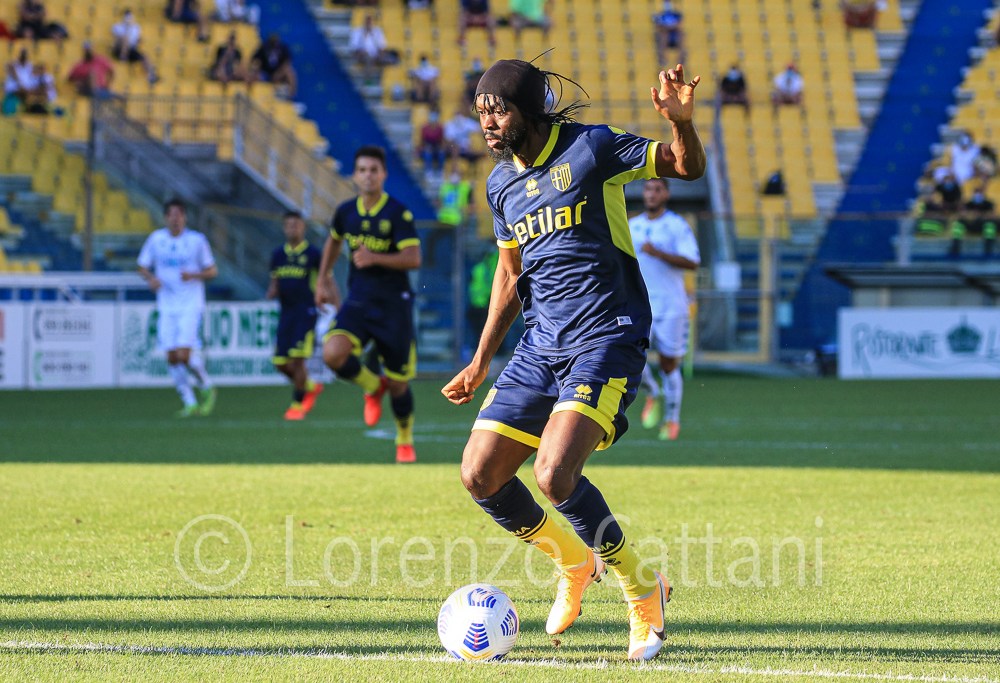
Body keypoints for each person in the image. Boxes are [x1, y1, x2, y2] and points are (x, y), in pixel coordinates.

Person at [441, 59, 706, 660]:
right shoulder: (500, 185)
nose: (487, 123)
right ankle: (574, 562)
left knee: (554, 474)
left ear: (529, 109)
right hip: (540, 344)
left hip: (605, 336)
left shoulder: (592, 148)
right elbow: (509, 275)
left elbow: (685, 166)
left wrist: (681, 124)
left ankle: (642, 589)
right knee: (480, 474)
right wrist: (480, 360)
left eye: (498, 110)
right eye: (480, 113)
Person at [316, 146, 422, 463]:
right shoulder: (345, 212)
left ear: (383, 174)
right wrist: (322, 278)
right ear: (354, 175)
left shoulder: (398, 213)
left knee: (400, 384)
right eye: (362, 170)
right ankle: (373, 386)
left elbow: (413, 258)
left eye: (374, 170)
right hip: (359, 301)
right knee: (332, 353)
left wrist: (374, 257)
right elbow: (334, 240)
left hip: (394, 306)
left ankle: (404, 438)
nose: (368, 176)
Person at [628, 178, 699, 441]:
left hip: (671, 306)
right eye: (648, 189)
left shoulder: (676, 226)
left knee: (669, 364)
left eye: (658, 189)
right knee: (631, 358)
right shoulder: (632, 226)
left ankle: (671, 420)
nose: (652, 194)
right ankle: (653, 392)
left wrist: (659, 253)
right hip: (640, 306)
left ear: (666, 194)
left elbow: (693, 262)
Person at [137, 199, 219, 417]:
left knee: (183, 355)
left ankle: (206, 385)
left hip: (190, 305)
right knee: (172, 357)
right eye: (171, 215)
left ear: (185, 218)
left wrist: (194, 275)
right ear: (165, 217)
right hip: (166, 305)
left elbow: (212, 271)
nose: (175, 219)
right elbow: (142, 266)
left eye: (179, 215)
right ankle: (189, 402)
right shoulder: (156, 239)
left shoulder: (196, 241)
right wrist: (151, 279)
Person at [267, 211, 326, 420]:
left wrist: (331, 301)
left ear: (303, 227)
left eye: (297, 225)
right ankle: (309, 385)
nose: (293, 228)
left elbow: (325, 280)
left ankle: (297, 404)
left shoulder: (313, 254)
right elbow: (275, 281)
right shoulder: (278, 255)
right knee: (280, 362)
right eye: (289, 225)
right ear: (284, 228)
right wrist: (272, 290)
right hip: (286, 312)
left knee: (298, 359)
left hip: (306, 312)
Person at [111, 9, 159, 85]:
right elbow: (117, 39)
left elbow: (136, 40)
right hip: (118, 50)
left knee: (144, 57)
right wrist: (126, 32)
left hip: (131, 50)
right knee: (125, 39)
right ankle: (123, 56)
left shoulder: (136, 28)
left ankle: (151, 75)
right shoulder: (117, 26)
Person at [251, 33, 297, 98]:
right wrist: (256, 68)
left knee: (290, 72)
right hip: (264, 73)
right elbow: (255, 59)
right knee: (254, 71)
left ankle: (291, 93)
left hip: (277, 73)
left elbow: (287, 63)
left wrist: (279, 72)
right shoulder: (263, 48)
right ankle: (252, 93)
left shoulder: (283, 49)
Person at [349, 14, 388, 85]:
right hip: (361, 55)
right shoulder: (357, 31)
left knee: (385, 58)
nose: (368, 23)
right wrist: (365, 35)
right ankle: (368, 81)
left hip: (375, 54)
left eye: (370, 22)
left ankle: (385, 82)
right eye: (367, 22)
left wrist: (372, 35)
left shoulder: (377, 31)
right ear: (364, 22)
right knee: (368, 58)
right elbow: (354, 46)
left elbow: (382, 46)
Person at [653, 0, 685, 65]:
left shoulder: (676, 15)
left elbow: (678, 25)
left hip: (674, 34)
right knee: (663, 35)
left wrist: (670, 27)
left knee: (681, 34)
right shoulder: (661, 15)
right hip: (665, 34)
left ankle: (681, 59)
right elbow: (658, 26)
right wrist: (668, 27)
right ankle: (662, 58)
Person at [417, 109, 447, 177]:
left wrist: (441, 147)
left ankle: (440, 170)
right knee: (428, 153)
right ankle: (428, 170)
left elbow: (442, 141)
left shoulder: (440, 128)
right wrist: (425, 147)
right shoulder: (424, 128)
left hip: (437, 148)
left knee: (441, 153)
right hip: (427, 147)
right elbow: (422, 141)